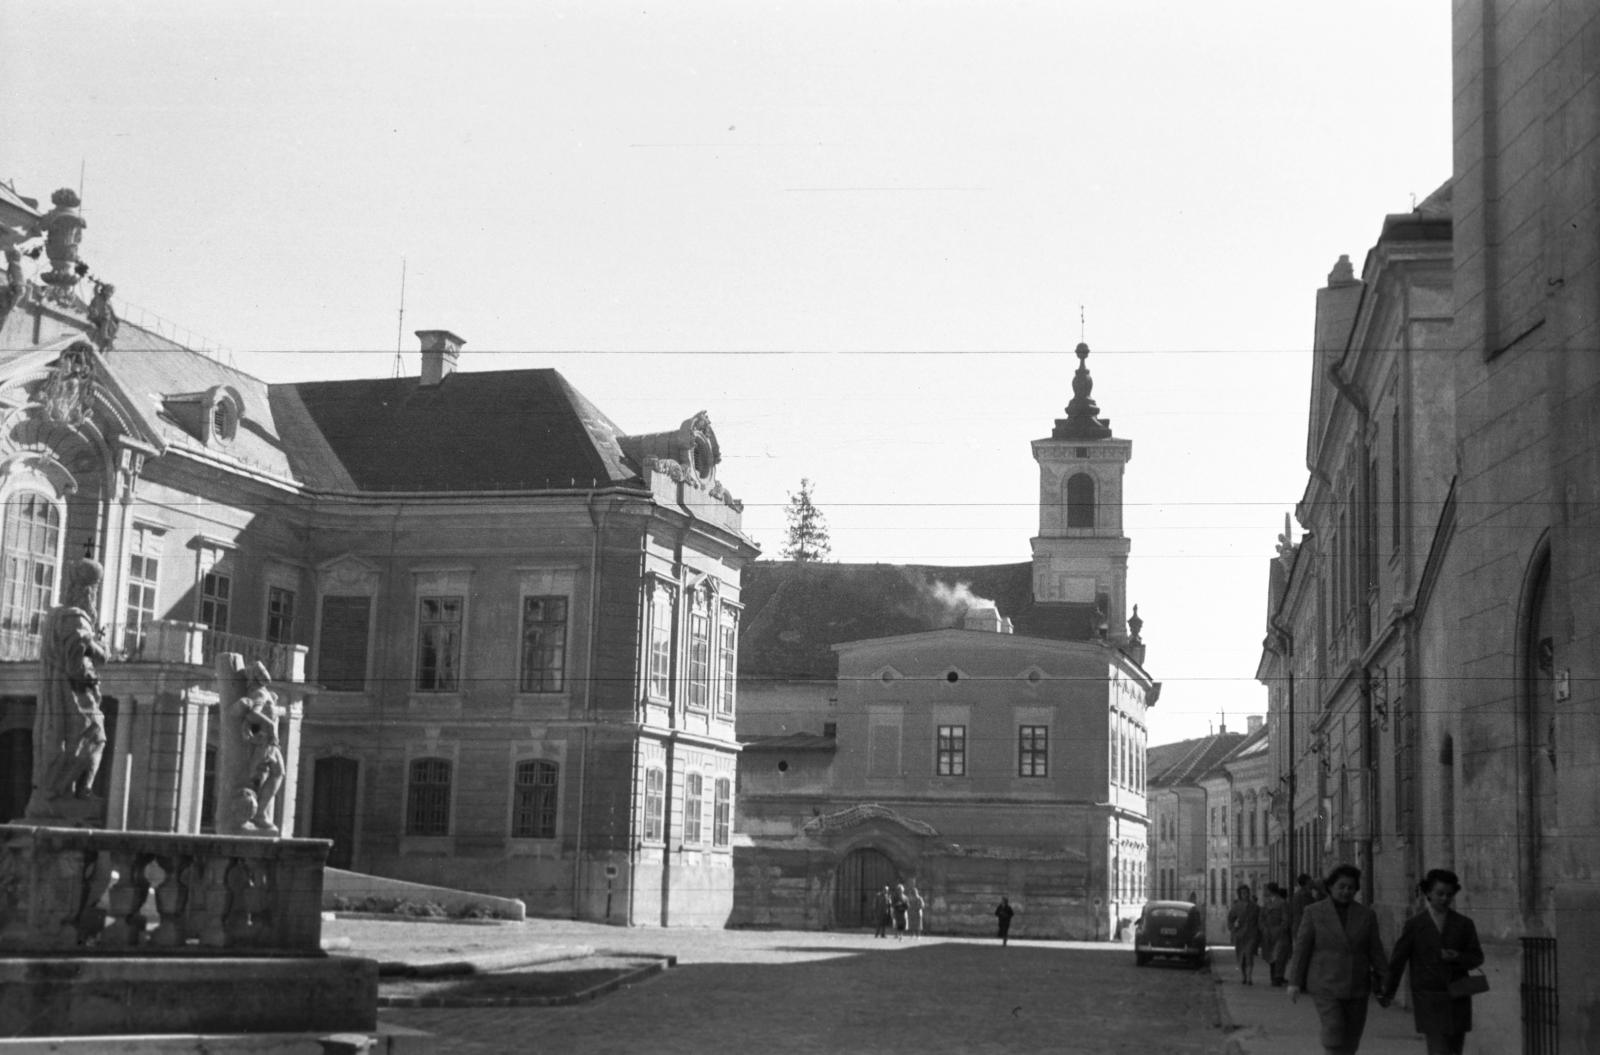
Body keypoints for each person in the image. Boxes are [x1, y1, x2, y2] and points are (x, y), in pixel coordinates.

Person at [27, 558, 109, 819]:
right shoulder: (76, 618)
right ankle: (78, 791)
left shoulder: (55, 616)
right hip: (74, 695)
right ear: (89, 591)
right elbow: (76, 666)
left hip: (56, 693)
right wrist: (99, 651)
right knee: (95, 735)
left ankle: (60, 792)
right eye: (94, 590)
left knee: (58, 740)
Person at [1380, 869, 1485, 1054]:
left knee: (1454, 1049)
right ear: (1428, 892)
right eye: (1440, 893)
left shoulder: (1464, 924)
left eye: (1449, 894)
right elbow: (1398, 961)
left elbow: (1477, 957)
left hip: (1457, 997)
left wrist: (1458, 957)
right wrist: (1388, 992)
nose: (1444, 899)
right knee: (1438, 1050)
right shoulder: (1414, 925)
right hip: (1429, 998)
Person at [1288, 864, 1389, 1055]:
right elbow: (1302, 948)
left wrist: (1385, 979)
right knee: (1334, 1030)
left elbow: (1376, 950)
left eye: (1351, 887)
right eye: (1341, 886)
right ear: (1330, 887)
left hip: (1356, 984)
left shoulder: (1366, 915)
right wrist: (1294, 982)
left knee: (1351, 1039)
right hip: (1326, 984)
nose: (1346, 891)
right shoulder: (1314, 912)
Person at [1228, 884, 1262, 984]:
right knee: (1241, 957)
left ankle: (1249, 977)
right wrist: (1233, 929)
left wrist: (1259, 933)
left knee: (1249, 955)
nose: (1245, 895)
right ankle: (1243, 976)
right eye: (1243, 893)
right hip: (1240, 935)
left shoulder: (1255, 907)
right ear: (1240, 895)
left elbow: (1259, 920)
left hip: (1251, 934)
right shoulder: (1236, 907)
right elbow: (1230, 919)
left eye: (1247, 893)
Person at [1259, 882, 1292, 987]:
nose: (1264, 892)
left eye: (1266, 889)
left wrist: (1281, 929)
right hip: (1268, 933)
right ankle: (1274, 977)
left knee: (1279, 956)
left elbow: (1286, 919)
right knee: (1270, 956)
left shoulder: (1282, 903)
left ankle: (1277, 977)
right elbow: (1261, 917)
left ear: (1270, 890)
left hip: (1279, 933)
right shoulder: (1266, 903)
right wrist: (1263, 928)